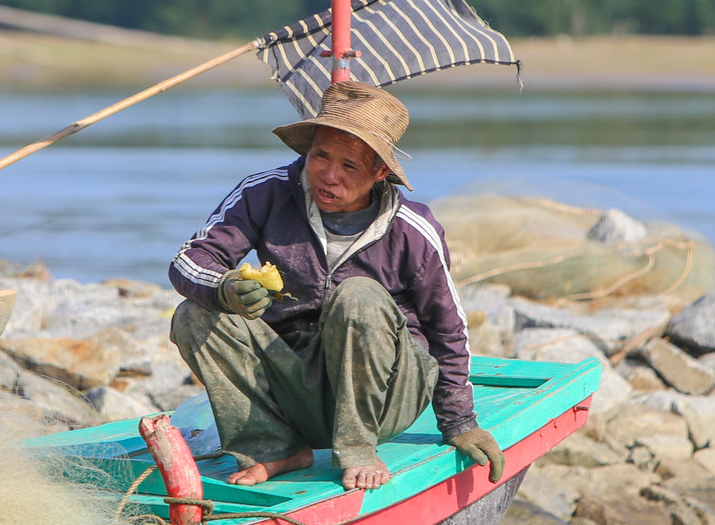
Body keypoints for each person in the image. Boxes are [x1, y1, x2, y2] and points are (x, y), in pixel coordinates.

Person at [168, 80, 503, 491]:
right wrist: (225, 287)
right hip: (297, 389)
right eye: (320, 156)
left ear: (380, 172)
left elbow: (448, 329)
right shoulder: (266, 193)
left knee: (358, 295)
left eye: (350, 166)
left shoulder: (412, 229)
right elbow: (190, 261)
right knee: (194, 313)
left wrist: (460, 422)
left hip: (386, 397)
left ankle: (358, 450)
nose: (328, 176)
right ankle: (275, 447)